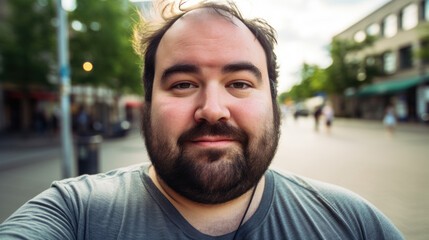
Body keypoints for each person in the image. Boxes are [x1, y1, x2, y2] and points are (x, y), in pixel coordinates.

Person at [0, 1, 404, 239]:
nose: (212, 109)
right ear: (148, 101)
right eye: (182, 84)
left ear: (274, 102)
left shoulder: (351, 224)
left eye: (240, 83)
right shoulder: (75, 216)